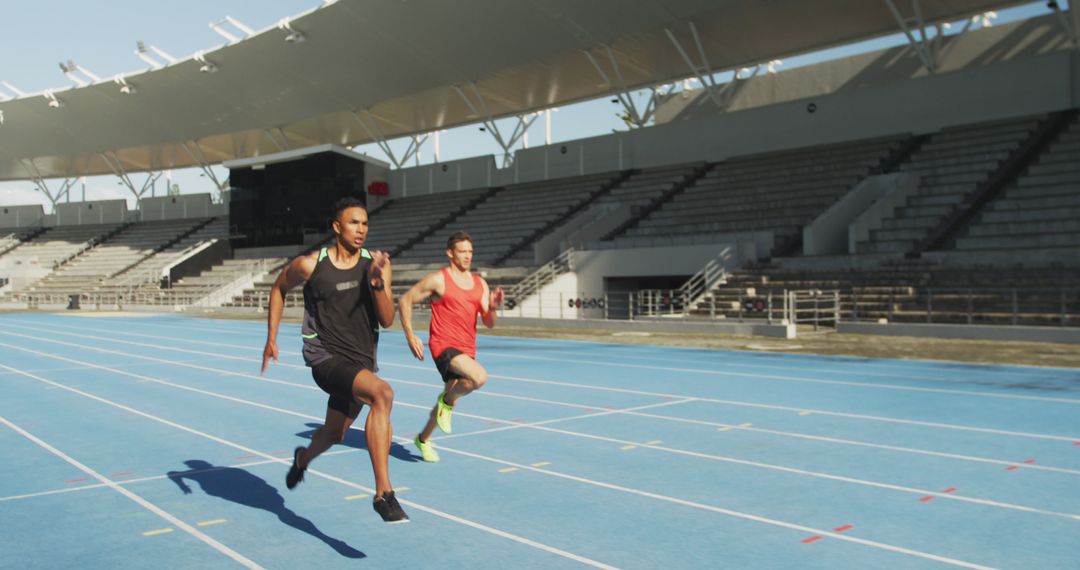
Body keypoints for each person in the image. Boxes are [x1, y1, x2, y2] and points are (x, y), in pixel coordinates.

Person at [261, 196, 408, 524]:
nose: (361, 229)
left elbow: (387, 320)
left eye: (366, 223)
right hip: (324, 358)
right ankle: (384, 493)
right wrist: (271, 338)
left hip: (360, 364)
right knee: (382, 394)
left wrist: (378, 285)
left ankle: (302, 459)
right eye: (354, 223)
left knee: (334, 434)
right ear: (337, 226)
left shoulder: (377, 264)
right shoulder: (310, 265)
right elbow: (278, 289)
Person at [398, 231, 503, 463]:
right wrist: (410, 335)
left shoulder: (480, 284)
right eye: (462, 251)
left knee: (452, 396)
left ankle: (423, 439)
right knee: (479, 377)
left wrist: (493, 307)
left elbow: (489, 323)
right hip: (443, 345)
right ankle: (445, 404)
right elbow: (405, 300)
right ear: (450, 253)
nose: (467, 256)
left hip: (468, 348)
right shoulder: (439, 280)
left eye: (470, 252)